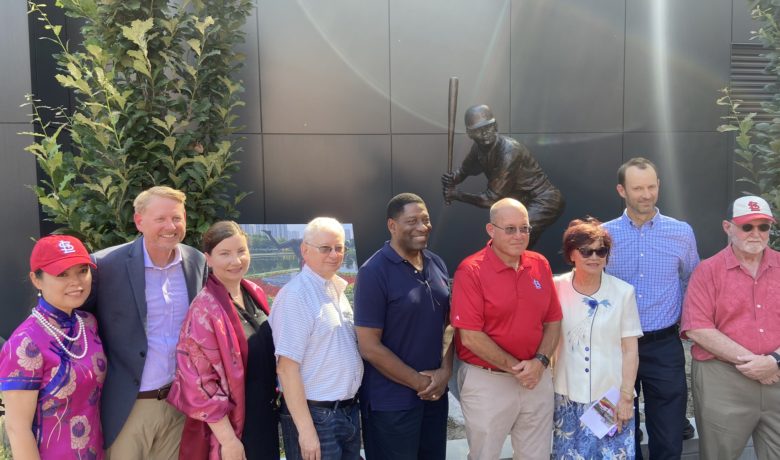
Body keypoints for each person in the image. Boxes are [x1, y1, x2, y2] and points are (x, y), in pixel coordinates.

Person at [87, 186, 208, 458]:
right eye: (161, 218)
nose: (171, 226)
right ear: (139, 221)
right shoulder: (105, 266)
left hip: (179, 404)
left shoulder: (196, 262)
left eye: (177, 218)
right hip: (128, 408)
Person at [450, 197, 562, 460]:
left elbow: (553, 321)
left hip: (536, 379)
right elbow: (470, 337)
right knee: (484, 455)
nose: (519, 235)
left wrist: (540, 362)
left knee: (537, 456)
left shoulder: (539, 264)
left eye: (524, 228)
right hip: (488, 382)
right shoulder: (471, 271)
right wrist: (518, 368)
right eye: (510, 229)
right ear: (491, 230)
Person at [603, 157, 699, 459]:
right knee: (617, 430)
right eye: (637, 188)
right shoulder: (603, 236)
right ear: (621, 190)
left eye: (651, 186)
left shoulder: (681, 232)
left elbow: (691, 282)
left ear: (659, 186)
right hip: (615, 347)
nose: (646, 194)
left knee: (669, 434)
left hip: (663, 346)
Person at [167, 221, 279, 460]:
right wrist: (228, 441)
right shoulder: (204, 310)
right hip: (233, 428)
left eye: (241, 251)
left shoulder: (254, 292)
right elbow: (198, 382)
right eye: (225, 254)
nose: (236, 261)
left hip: (264, 416)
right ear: (208, 258)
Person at [354, 193, 453, 460]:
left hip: (434, 398)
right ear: (392, 225)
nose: (422, 227)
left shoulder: (436, 263)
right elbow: (369, 346)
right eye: (412, 221)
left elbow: (448, 327)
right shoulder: (373, 271)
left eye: (426, 219)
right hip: (392, 404)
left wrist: (445, 373)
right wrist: (419, 382)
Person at [681, 196, 780, 460]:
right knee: (719, 455)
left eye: (763, 227)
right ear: (728, 227)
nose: (756, 234)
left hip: (777, 374)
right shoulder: (707, 271)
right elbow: (697, 328)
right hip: (723, 379)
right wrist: (756, 364)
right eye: (747, 227)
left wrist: (774, 360)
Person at [0, 235, 105, 459]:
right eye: (61, 274)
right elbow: (17, 429)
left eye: (82, 271)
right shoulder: (24, 344)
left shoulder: (88, 324)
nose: (76, 282)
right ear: (36, 279)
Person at [268, 217, 363, 460]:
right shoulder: (296, 296)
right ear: (305, 250)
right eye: (325, 248)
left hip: (345, 412)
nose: (334, 254)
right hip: (316, 418)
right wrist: (306, 430)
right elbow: (287, 369)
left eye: (339, 247)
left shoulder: (335, 290)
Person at [552, 218, 642, 458]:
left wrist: (625, 397)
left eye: (600, 251)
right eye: (586, 251)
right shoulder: (555, 288)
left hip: (609, 398)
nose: (594, 257)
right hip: (566, 397)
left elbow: (630, 349)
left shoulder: (623, 292)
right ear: (572, 254)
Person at [441, 104, 565, 246]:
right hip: (521, 204)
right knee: (516, 246)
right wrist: (452, 179)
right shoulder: (478, 148)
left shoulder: (509, 151)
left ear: (496, 126)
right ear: (470, 133)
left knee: (511, 239)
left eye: (488, 126)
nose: (485, 133)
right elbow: (464, 171)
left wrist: (457, 195)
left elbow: (490, 199)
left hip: (543, 201)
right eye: (478, 130)